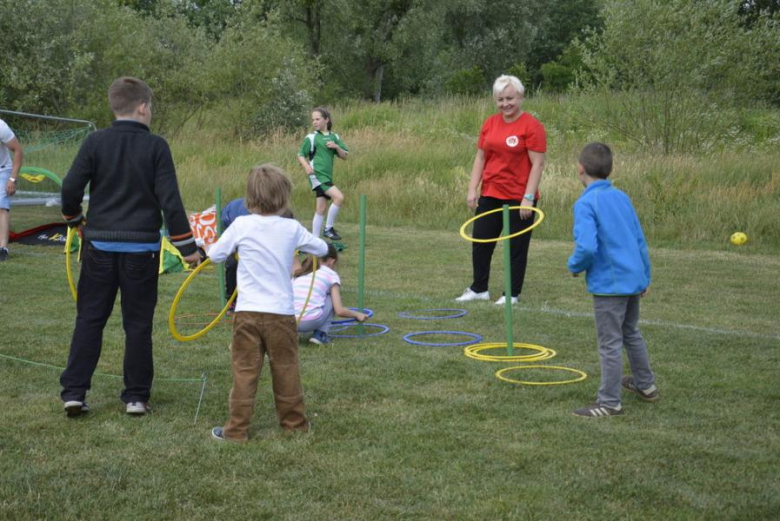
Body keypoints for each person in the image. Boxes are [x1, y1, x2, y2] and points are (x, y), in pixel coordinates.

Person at [59, 77, 200, 418]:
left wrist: (75, 219)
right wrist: (188, 248)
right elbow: (171, 203)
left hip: (98, 249)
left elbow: (70, 187)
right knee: (137, 325)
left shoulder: (95, 142)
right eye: (150, 107)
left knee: (89, 320)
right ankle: (135, 397)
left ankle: (74, 393)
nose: (150, 112)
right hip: (142, 252)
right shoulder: (156, 147)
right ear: (142, 107)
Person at [208, 164, 328, 442]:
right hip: (281, 316)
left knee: (245, 371)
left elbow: (215, 255)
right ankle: (294, 425)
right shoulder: (291, 228)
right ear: (284, 197)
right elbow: (321, 248)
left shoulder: (241, 224)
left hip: (247, 313)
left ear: (249, 198)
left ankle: (236, 430)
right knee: (286, 368)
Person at [568, 142, 658, 418]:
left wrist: (574, 266)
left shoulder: (585, 203)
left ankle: (609, 402)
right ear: (609, 169)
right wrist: (644, 276)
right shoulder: (622, 197)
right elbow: (639, 240)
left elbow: (586, 248)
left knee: (610, 342)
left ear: (580, 169)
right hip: (632, 280)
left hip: (610, 286)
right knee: (630, 333)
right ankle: (646, 385)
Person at [456, 75, 546, 305]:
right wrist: (472, 188)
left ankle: (511, 294)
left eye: (510, 98)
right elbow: (480, 157)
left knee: (516, 247)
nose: (505, 104)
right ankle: (479, 289)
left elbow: (538, 163)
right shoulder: (490, 123)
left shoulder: (532, 126)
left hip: (519, 197)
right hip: (491, 193)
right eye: (500, 99)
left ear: (521, 97)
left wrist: (528, 198)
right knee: (481, 242)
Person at [220, 197, 297, 311]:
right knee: (234, 263)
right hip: (229, 221)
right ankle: (232, 299)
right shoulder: (250, 221)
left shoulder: (284, 225)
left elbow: (294, 263)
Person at [293, 243, 368, 345]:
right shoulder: (331, 274)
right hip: (309, 322)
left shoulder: (301, 272)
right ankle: (320, 335)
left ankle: (292, 335)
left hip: (289, 322)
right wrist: (358, 315)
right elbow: (339, 310)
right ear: (332, 261)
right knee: (330, 298)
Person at [296, 107, 349, 241]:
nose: (314, 122)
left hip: (327, 176)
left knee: (321, 208)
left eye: (317, 119)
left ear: (326, 120)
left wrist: (336, 147)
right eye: (313, 120)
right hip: (317, 175)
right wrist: (306, 166)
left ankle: (313, 240)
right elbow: (300, 154)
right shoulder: (311, 137)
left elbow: (345, 156)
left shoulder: (334, 137)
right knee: (339, 197)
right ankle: (328, 228)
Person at [0, 118, 24, 261]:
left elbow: (18, 151)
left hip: (3, 169)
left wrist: (12, 179)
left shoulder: (1, 126)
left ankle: (2, 248)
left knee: (1, 207)